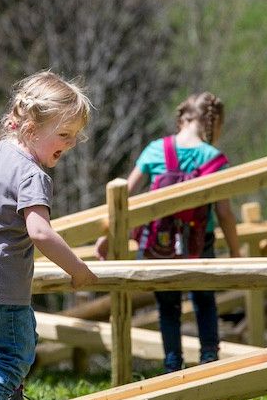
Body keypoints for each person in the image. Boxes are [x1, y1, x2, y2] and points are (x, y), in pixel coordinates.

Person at [0, 72, 97, 400]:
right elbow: (40, 232)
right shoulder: (32, 173)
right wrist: (78, 269)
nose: (71, 143)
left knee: (22, 335)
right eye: (63, 134)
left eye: (75, 136)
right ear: (30, 126)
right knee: (12, 354)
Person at [98, 91, 241, 373]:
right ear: (212, 123)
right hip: (200, 243)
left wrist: (109, 235)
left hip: (159, 244)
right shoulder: (214, 158)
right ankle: (209, 361)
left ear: (184, 118)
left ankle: (172, 365)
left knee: (168, 307)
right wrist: (235, 251)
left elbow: (124, 197)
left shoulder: (155, 150)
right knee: (204, 301)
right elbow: (224, 212)